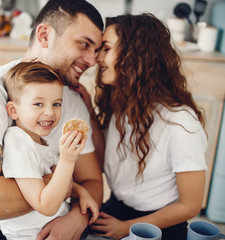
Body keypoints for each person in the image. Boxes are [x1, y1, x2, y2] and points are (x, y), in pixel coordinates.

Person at [0, 0, 104, 239]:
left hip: (54, 220)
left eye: (96, 50)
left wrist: (77, 218)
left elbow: (92, 180)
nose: (92, 60)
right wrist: (63, 183)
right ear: (44, 35)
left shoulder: (72, 100)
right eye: (84, 44)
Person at [76, 13, 207, 240]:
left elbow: (190, 205)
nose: (97, 59)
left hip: (161, 222)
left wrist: (127, 227)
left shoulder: (181, 123)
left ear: (135, 55)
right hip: (118, 209)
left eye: (106, 49)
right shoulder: (123, 104)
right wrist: (87, 109)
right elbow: (103, 163)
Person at [0, 61, 99, 239]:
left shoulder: (41, 141)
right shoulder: (18, 142)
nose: (50, 113)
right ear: (13, 111)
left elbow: (54, 181)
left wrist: (81, 192)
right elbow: (45, 205)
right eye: (38, 104)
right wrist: (67, 161)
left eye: (56, 104)